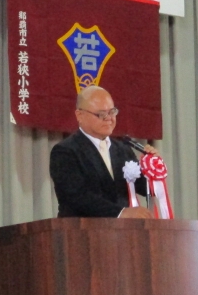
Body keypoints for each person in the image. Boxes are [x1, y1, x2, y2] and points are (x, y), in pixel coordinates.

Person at [49, 86, 154, 218]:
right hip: (80, 228)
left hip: (124, 229)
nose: (109, 118)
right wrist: (120, 213)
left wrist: (151, 167)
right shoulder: (65, 151)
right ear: (80, 115)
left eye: (112, 112)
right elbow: (77, 196)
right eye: (101, 114)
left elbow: (145, 189)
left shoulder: (123, 150)